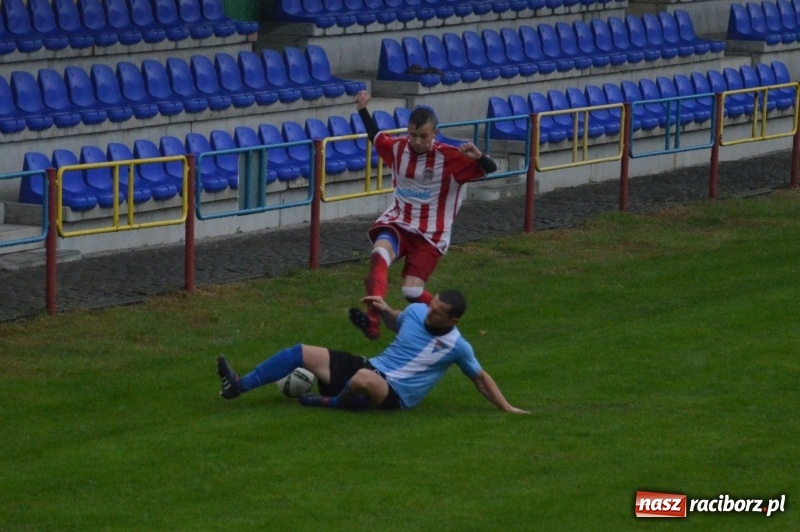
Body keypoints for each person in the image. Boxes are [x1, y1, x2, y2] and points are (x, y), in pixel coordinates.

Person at [216, 289, 528, 414]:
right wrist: (384, 310)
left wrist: (508, 408)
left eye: (438, 313)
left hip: (393, 394)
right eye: (431, 307)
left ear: (453, 320)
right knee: (300, 351)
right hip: (369, 366)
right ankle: (238, 385)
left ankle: (333, 402)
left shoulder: (458, 346)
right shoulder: (418, 311)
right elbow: (398, 323)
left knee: (365, 378)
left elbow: (480, 379)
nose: (430, 313)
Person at [350, 91, 498, 340]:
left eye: (423, 136)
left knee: (411, 291)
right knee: (379, 254)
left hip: (431, 234)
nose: (416, 141)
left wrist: (480, 157)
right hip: (398, 221)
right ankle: (373, 321)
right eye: (412, 135)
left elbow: (491, 169)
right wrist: (362, 109)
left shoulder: (450, 158)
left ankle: (445, 325)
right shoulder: (398, 148)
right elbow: (375, 137)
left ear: (435, 134)